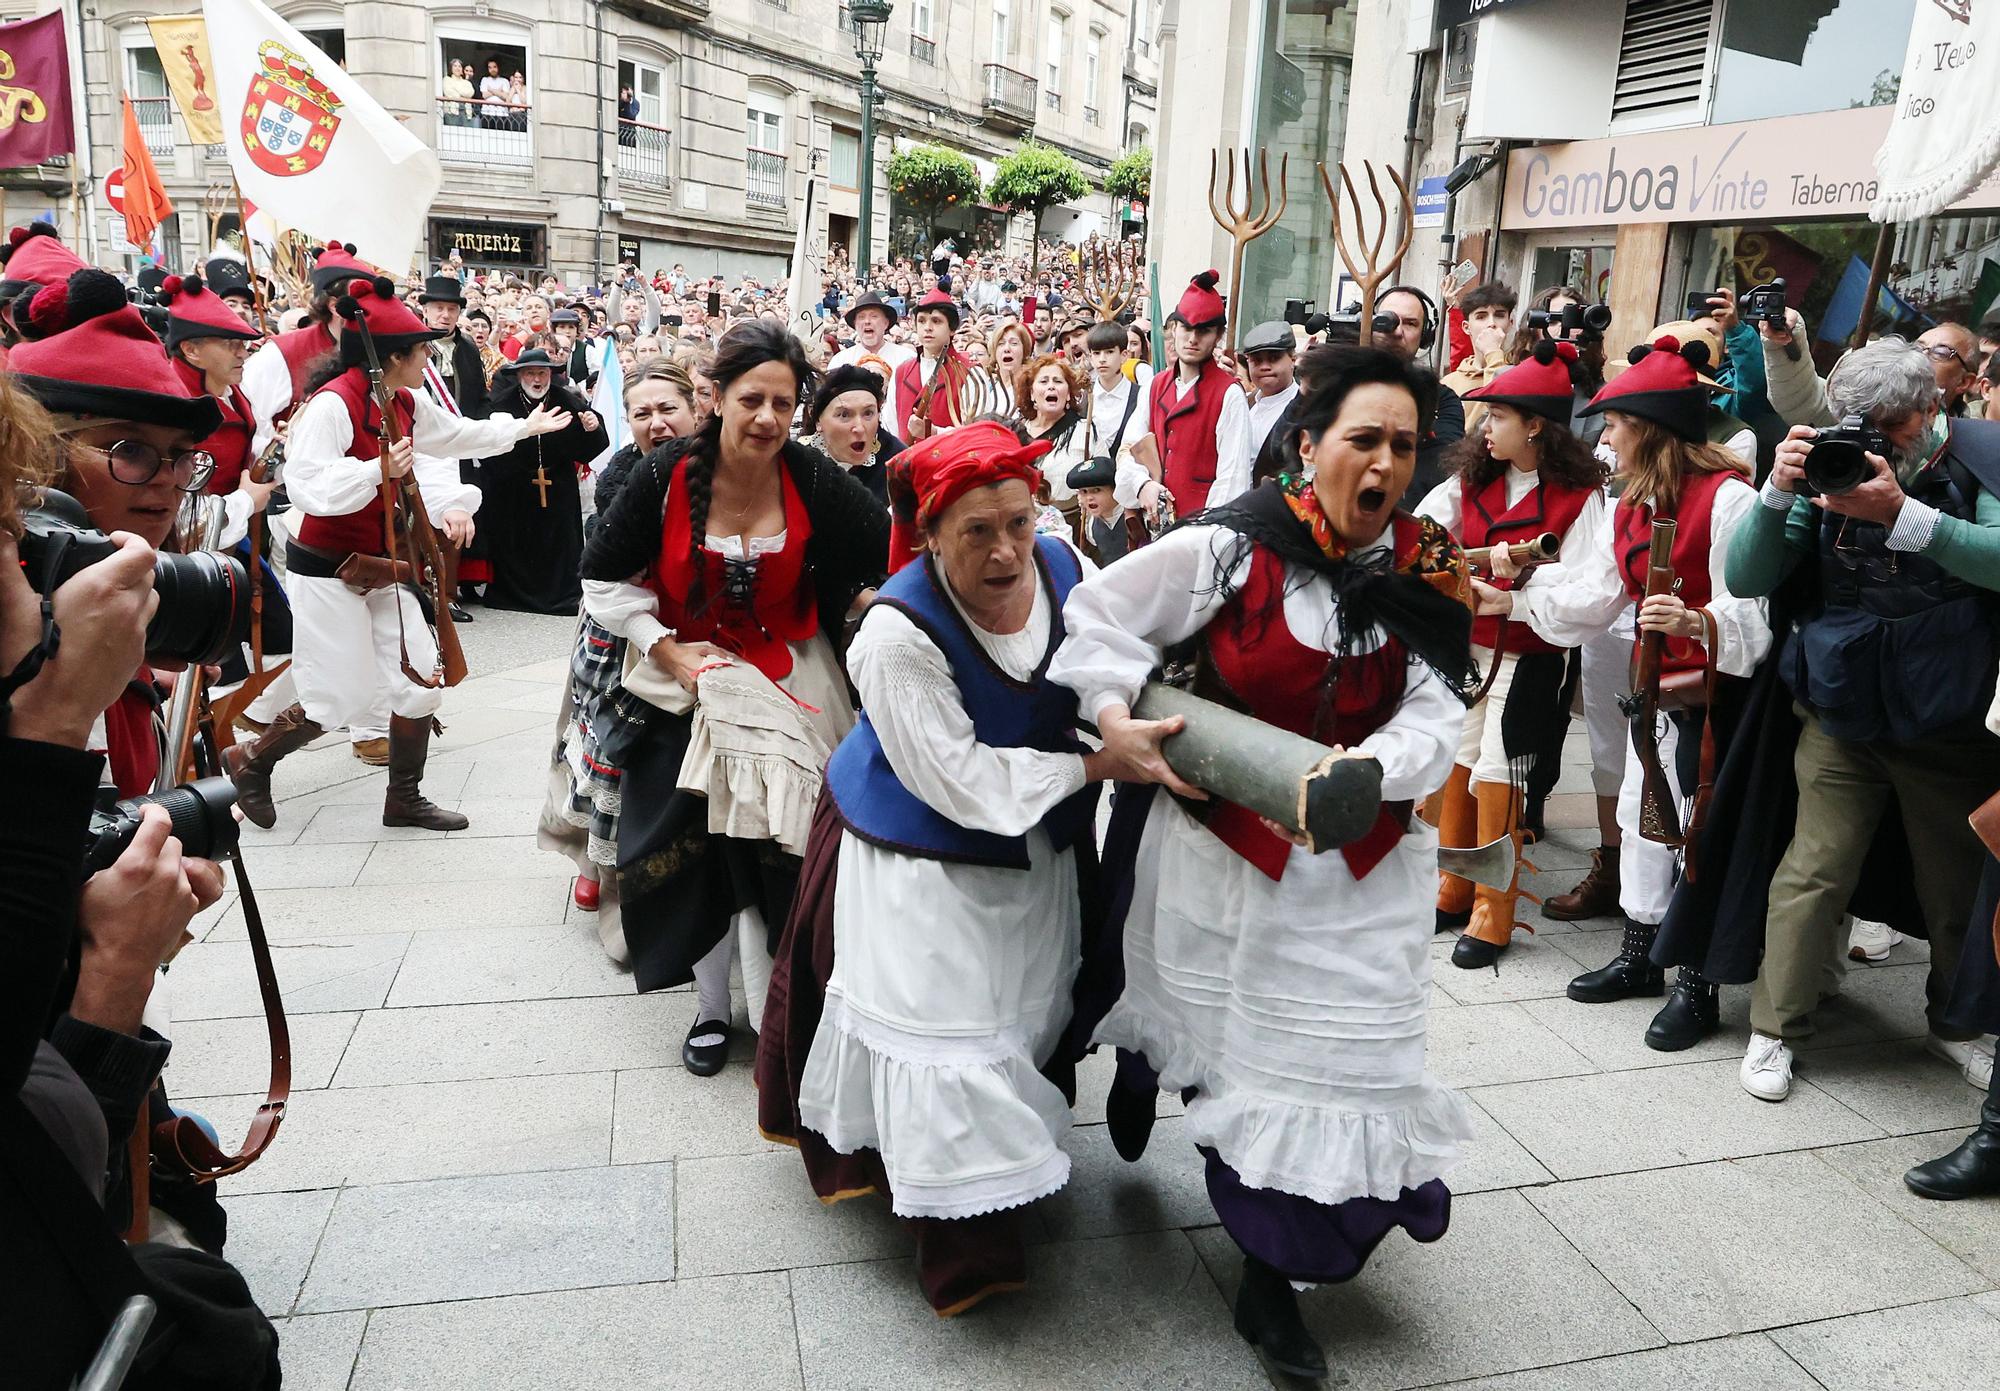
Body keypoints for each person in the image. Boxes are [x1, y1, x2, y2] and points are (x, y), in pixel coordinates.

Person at [1051, 347, 1481, 1382]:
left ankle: (1271, 1276)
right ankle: (1147, 1063)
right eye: (1362, 438)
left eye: (1403, 445)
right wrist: (1116, 715)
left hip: (1363, 861)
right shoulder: (1230, 548)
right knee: (1225, 1036)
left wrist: (1375, 767)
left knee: (1343, 1065)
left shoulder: (1426, 565)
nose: (1383, 462)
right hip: (1222, 851)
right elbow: (1098, 617)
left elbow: (1438, 701)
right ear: (1307, 443)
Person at [757, 419, 1132, 1315]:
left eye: (1018, 520)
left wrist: (1116, 714)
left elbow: (1105, 658)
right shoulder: (894, 634)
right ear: (927, 534)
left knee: (1023, 1000)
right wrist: (1092, 767)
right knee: (945, 1024)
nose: (1007, 550)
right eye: (976, 531)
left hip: (1031, 831)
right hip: (918, 841)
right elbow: (957, 779)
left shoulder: (1065, 565)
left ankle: (1004, 1160)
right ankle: (963, 1243)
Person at [579, 321, 888, 1072]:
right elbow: (599, 580)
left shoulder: (813, 479)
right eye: (753, 400)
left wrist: (866, 601)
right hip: (683, 660)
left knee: (806, 824)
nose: (769, 420)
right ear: (715, 397)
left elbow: (880, 548)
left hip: (791, 660)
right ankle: (713, 1007)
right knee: (693, 825)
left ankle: (800, 995)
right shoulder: (666, 475)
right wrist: (667, 647)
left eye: (784, 404)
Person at [1726, 338, 2000, 1101]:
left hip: (1945, 720)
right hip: (1840, 707)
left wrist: (1905, 514)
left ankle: (1956, 1023)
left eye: (1891, 427)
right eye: (1861, 424)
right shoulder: (1828, 459)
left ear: (1932, 408)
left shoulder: (1978, 455)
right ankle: (1776, 1027)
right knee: (1814, 870)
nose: (1875, 442)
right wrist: (1779, 492)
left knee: (1954, 885)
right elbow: (1746, 575)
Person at [1472, 335, 1771, 1008]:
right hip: (1651, 691)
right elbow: (1597, 591)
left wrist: (1697, 622)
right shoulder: (1630, 502)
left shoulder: (1730, 502)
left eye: (1614, 424)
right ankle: (1639, 958)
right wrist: (1514, 600)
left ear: (1648, 430)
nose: (1604, 437)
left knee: (1696, 830)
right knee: (1643, 820)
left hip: (1713, 697)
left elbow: (1751, 610)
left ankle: (1696, 980)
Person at [224, 278, 574, 831]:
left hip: (385, 564)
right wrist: (374, 471)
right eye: (421, 349)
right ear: (393, 357)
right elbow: (309, 484)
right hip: (327, 568)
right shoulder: (332, 404)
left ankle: (403, 797)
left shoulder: (406, 400)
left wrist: (522, 427)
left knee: (418, 680)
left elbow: (455, 436)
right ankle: (251, 761)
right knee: (337, 697)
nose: (429, 355)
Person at [1417, 341, 1609, 966]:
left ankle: (1493, 909)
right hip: (1467, 649)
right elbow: (1423, 535)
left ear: (1535, 425)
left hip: (1530, 656)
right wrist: (1456, 578)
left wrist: (1518, 598)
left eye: (1497, 415)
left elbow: (1590, 588)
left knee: (1501, 770)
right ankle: (1454, 884)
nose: (1484, 426)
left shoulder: (1582, 497)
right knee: (1459, 760)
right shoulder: (1471, 480)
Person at [542, 359, 700, 928]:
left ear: (696, 409)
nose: (657, 422)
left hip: (690, 631)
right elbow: (607, 566)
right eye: (642, 412)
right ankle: (593, 864)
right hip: (619, 636)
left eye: (668, 409)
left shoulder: (718, 467)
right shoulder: (618, 477)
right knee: (606, 751)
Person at [479, 346, 606, 613]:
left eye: (541, 373)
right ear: (519, 376)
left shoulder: (568, 400)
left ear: (550, 374)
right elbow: (487, 446)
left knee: (560, 542)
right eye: (529, 374)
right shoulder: (501, 404)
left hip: (558, 483)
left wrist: (591, 428)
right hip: (514, 487)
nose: (536, 380)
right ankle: (513, 595)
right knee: (516, 540)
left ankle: (562, 595)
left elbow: (590, 446)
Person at [1124, 271, 1252, 518]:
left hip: (1202, 535)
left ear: (1217, 335)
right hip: (1155, 529)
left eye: (1203, 330)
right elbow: (1130, 447)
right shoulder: (1154, 386)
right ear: (1174, 329)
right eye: (1187, 328)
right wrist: (1143, 484)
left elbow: (1232, 480)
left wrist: (1201, 534)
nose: (1193, 339)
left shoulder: (1229, 395)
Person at [801, 363, 903, 504]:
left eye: (868, 413)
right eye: (844, 415)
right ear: (818, 420)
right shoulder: (799, 462)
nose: (859, 428)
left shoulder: (897, 462)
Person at [894, 288, 978, 442]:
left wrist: (933, 432)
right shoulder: (902, 371)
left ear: (952, 329)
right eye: (921, 320)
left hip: (949, 462)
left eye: (936, 321)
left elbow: (975, 433)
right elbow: (891, 423)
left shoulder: (969, 372)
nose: (927, 327)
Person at [1018, 353, 1087, 521]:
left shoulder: (1085, 432)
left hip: (1071, 525)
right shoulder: (1016, 431)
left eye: (1058, 381)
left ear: (1069, 394)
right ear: (1032, 394)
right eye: (1043, 381)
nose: (1051, 387)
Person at [1240, 319, 1300, 472]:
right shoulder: (1243, 404)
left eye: (1274, 358)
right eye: (1257, 360)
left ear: (1293, 359)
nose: (1265, 367)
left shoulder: (1304, 409)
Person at [827, 289, 913, 382]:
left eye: (874, 316)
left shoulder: (907, 359)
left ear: (885, 323)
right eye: (861, 317)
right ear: (855, 324)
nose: (867, 321)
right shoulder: (841, 361)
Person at [1068, 453, 1131, 563]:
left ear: (1115, 489)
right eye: (1084, 492)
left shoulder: (1136, 517)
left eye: (1096, 490)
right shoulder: (1091, 525)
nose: (1089, 498)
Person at [441, 56, 475, 126]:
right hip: (452, 112)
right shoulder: (447, 79)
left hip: (466, 113)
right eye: (455, 66)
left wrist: (456, 90)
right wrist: (464, 98)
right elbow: (450, 94)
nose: (457, 68)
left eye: (459, 66)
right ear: (451, 68)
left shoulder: (467, 82)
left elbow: (470, 93)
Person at [479, 56, 510, 127]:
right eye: (490, 67)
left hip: (502, 113)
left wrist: (491, 90)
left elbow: (505, 97)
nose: (492, 69)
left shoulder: (504, 81)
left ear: (498, 67)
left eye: (494, 67)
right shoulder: (485, 80)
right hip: (487, 112)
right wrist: (499, 91)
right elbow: (484, 96)